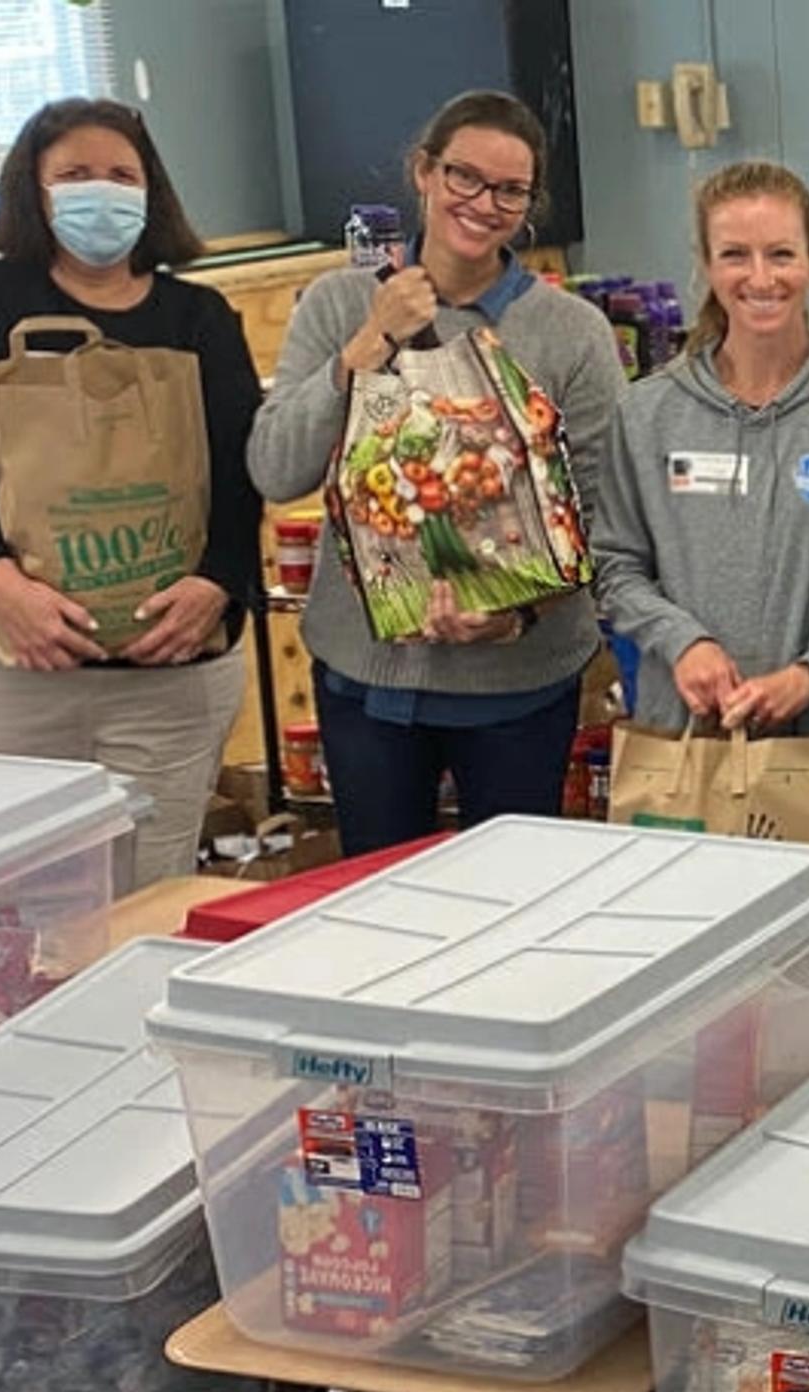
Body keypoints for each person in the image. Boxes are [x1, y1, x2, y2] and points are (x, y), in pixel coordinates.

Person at [246, 89, 626, 856]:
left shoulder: (571, 333)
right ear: (424, 171)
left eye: (510, 191)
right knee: (380, 900)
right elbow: (276, 466)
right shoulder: (339, 304)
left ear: (529, 205)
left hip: (518, 686)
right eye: (464, 176)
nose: (483, 204)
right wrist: (365, 348)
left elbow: (604, 511)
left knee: (512, 898)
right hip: (368, 682)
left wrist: (517, 614)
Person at [0, 98, 261, 880]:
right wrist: (2, 587)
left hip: (169, 673)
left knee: (151, 885)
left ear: (152, 192)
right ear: (34, 190)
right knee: (7, 896)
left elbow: (241, 470)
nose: (102, 192)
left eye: (122, 175)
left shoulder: (199, 317)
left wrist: (217, 584)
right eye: (75, 175)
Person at [593, 161, 809, 744]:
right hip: (684, 744)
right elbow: (616, 566)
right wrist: (684, 643)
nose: (761, 278)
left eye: (781, 254)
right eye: (735, 255)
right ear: (706, 265)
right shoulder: (646, 414)